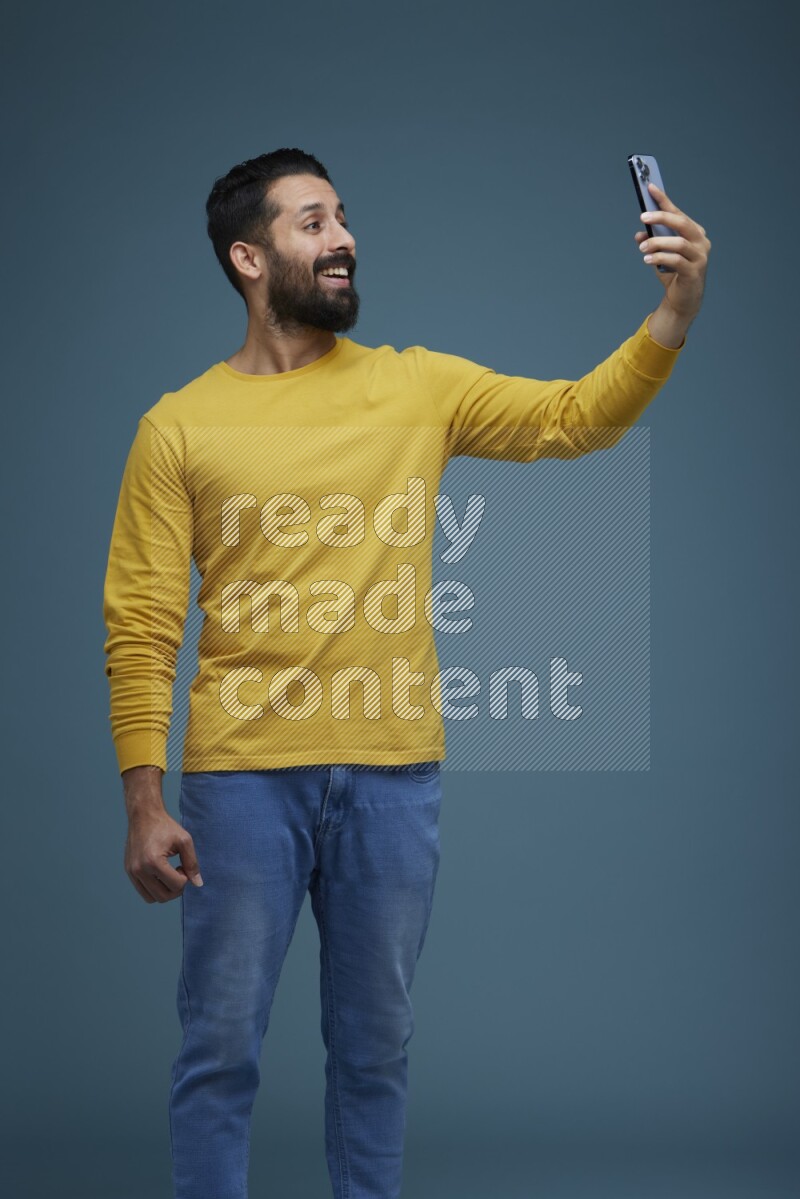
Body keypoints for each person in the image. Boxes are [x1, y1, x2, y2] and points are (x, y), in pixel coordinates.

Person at [102, 147, 710, 1199]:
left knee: (374, 1055)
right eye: (309, 222)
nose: (341, 237)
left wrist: (675, 309)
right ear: (248, 258)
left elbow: (575, 417)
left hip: (393, 781)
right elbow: (144, 621)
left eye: (341, 216)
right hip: (241, 781)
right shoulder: (177, 425)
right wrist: (143, 798)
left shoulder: (414, 384)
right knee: (219, 1053)